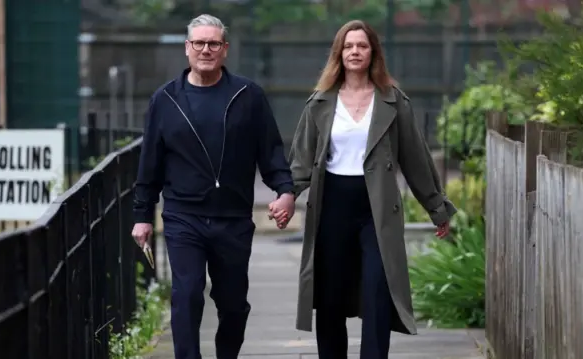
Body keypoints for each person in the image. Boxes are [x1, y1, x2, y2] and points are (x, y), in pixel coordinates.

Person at [269, 20, 457, 359]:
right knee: (330, 296)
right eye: (349, 46)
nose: (355, 51)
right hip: (331, 207)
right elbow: (300, 162)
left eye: (363, 46)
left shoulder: (393, 101)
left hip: (377, 209)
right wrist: (286, 197)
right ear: (339, 53)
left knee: (377, 293)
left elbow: (416, 158)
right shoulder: (321, 102)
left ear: (373, 53)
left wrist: (437, 207)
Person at [131, 14, 296, 359]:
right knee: (187, 293)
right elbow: (150, 163)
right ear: (187, 49)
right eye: (199, 43)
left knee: (233, 305)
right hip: (183, 215)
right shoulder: (165, 100)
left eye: (213, 43)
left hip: (233, 218)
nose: (206, 49)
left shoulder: (248, 96)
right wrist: (142, 215)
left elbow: (270, 152)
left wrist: (285, 191)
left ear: (225, 50)